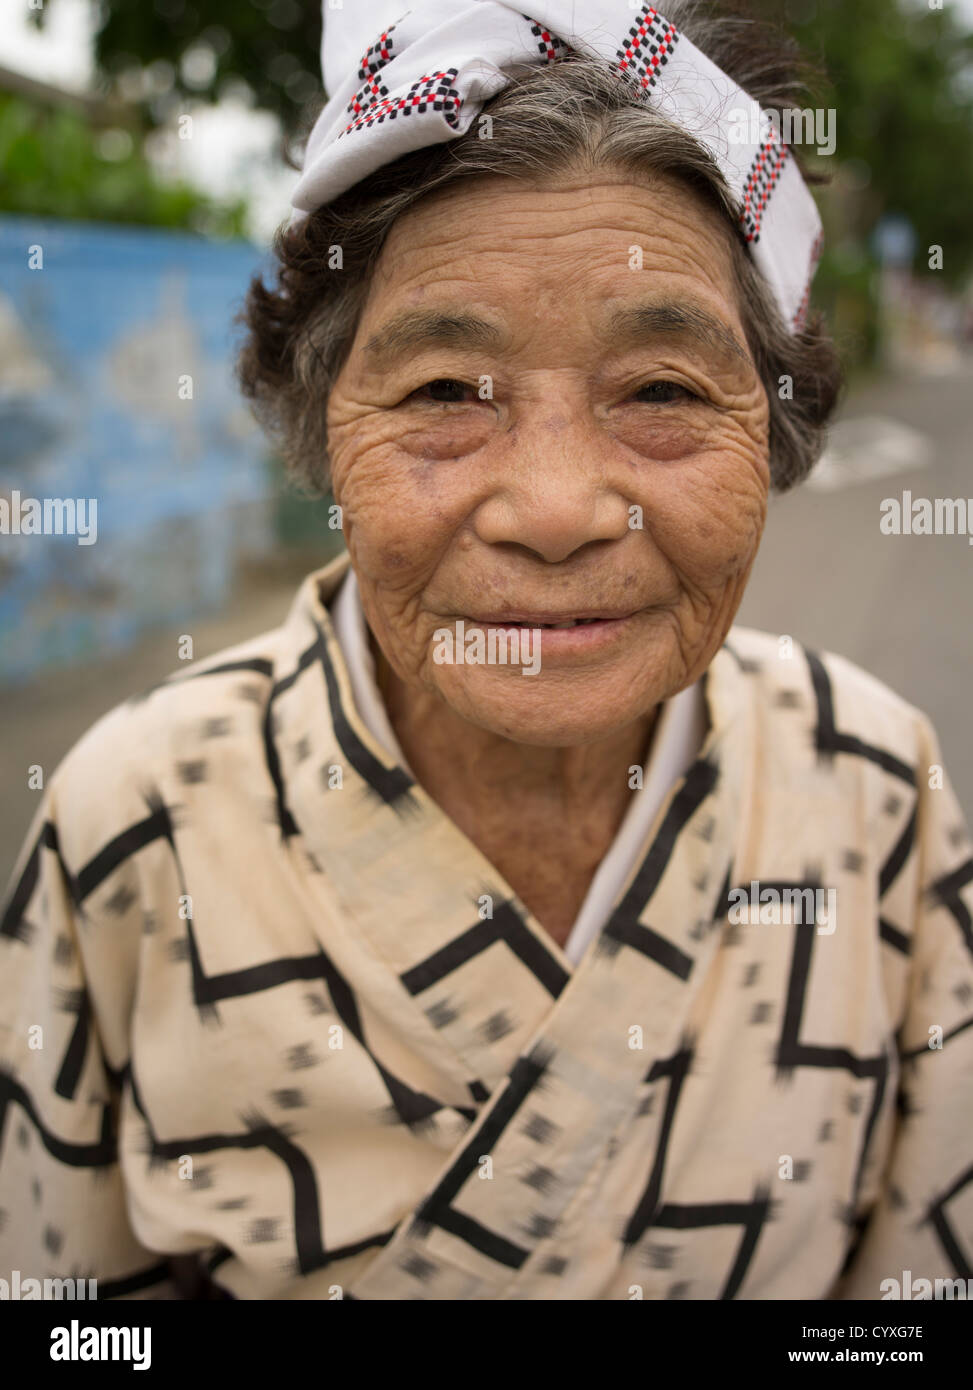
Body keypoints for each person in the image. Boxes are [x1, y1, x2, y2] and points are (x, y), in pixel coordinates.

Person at [1, 0, 970, 1301]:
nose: (558, 509)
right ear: (321, 430)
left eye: (663, 392)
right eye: (446, 393)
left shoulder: (875, 790)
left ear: (775, 432)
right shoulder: (136, 816)